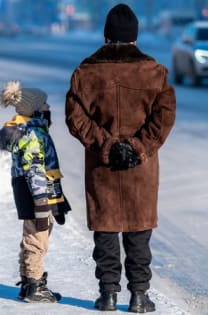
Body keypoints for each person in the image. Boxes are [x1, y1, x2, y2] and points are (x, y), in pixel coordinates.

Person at [65, 3, 176, 313]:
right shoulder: (155, 73)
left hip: (103, 167)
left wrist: (107, 146)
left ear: (105, 36)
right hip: (141, 169)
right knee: (139, 230)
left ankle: (108, 294)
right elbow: (164, 118)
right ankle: (139, 296)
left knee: (107, 228)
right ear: (135, 38)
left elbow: (76, 119)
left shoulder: (85, 73)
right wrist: (138, 147)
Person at [0, 80, 71, 303]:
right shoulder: (33, 135)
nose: (48, 107)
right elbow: (36, 171)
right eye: (45, 103)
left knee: (31, 238)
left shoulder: (30, 130)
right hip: (35, 195)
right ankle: (35, 286)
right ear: (35, 109)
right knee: (37, 240)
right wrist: (42, 205)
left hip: (31, 192)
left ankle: (28, 282)